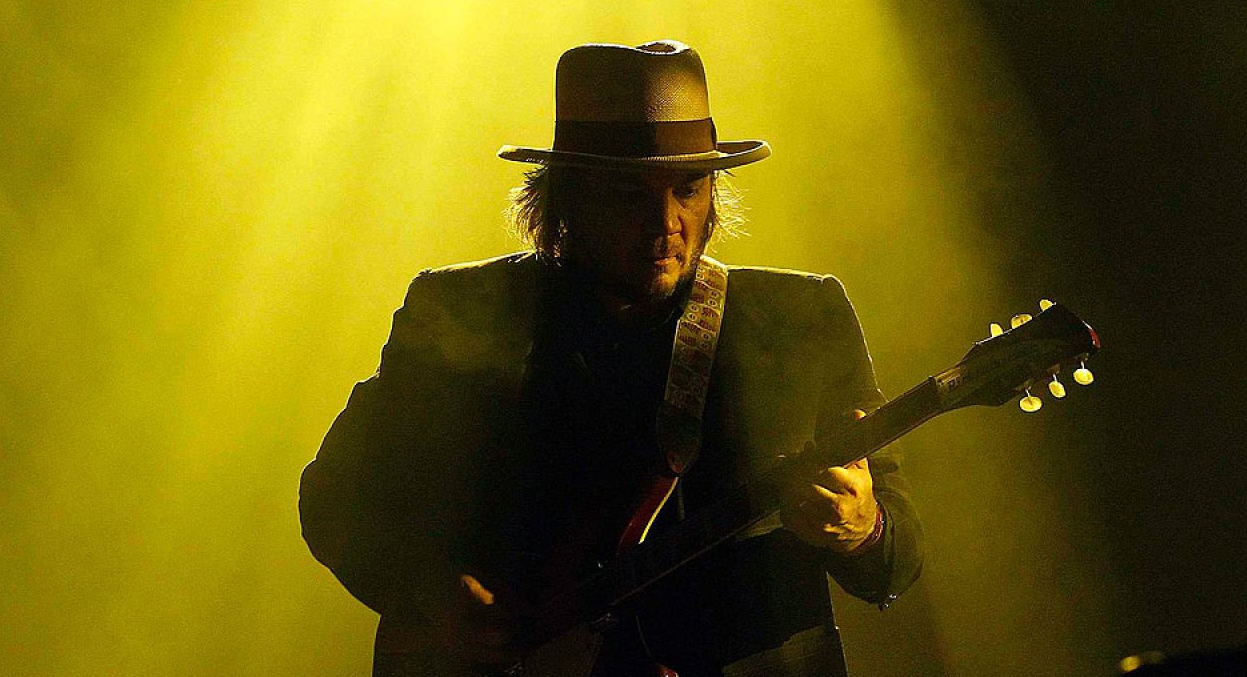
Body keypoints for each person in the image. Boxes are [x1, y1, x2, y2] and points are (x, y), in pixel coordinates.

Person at [300, 40, 923, 676]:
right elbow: (335, 495)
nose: (666, 221)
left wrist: (864, 526)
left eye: (689, 188)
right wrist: (432, 597)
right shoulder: (464, 308)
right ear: (564, 196)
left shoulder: (803, 318)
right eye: (628, 194)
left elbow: (895, 564)